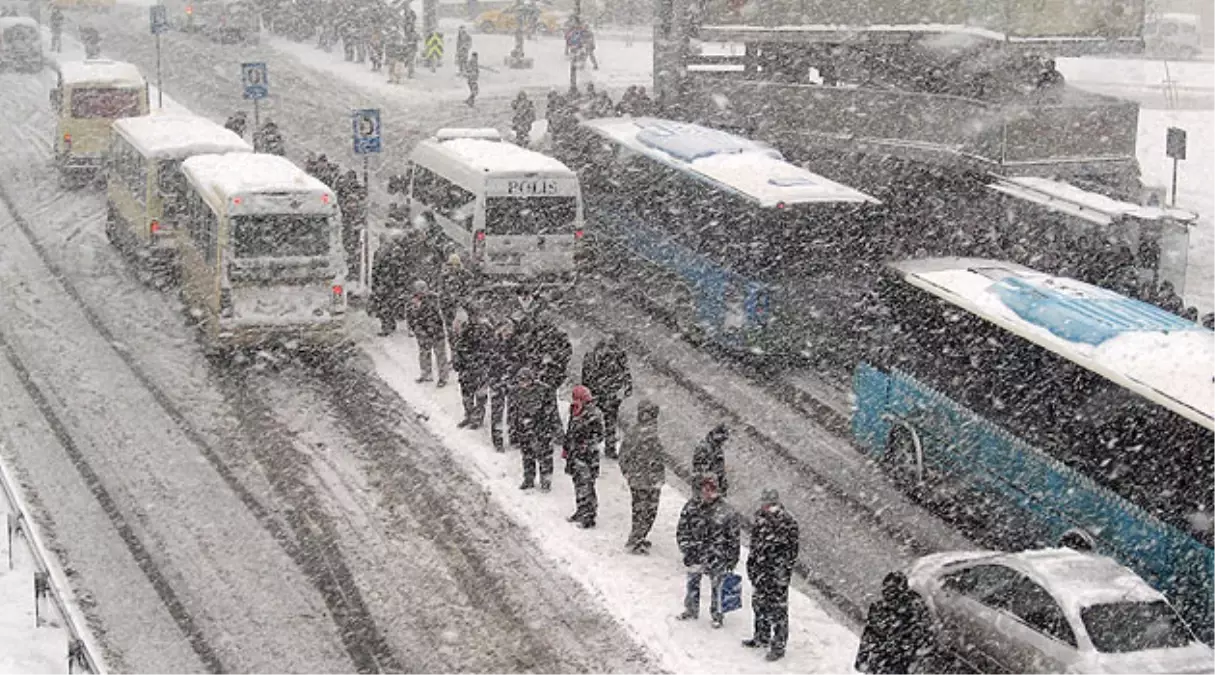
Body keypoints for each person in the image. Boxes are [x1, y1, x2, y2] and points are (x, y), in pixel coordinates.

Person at [676, 473, 740, 628]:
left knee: (718, 586)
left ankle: (717, 614)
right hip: (695, 553)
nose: (708, 492)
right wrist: (686, 549)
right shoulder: (691, 507)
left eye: (712, 489)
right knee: (693, 582)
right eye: (705, 488)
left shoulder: (727, 512)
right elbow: (682, 530)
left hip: (717, 556)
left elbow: (733, 537)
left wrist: (732, 558)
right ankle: (691, 608)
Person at [744, 489, 800, 661]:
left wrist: (781, 571)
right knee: (759, 605)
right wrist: (752, 565)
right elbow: (754, 545)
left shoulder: (788, 523)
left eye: (770, 503)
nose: (767, 506)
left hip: (776, 575)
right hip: (761, 571)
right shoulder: (760, 519)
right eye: (765, 502)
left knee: (778, 611)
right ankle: (762, 636)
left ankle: (778, 646)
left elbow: (791, 552)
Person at [855, 572, 935, 675]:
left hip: (899, 661)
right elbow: (869, 635)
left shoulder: (915, 609)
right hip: (884, 660)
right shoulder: (878, 609)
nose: (888, 594)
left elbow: (926, 639)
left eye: (892, 591)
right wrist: (862, 657)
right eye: (887, 590)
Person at [619, 399, 664, 554]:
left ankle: (639, 537)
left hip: (647, 479)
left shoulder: (643, 431)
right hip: (643, 480)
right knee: (644, 511)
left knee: (646, 511)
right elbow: (625, 455)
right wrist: (631, 473)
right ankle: (635, 540)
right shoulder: (639, 433)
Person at [581, 332, 632, 458]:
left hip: (606, 392)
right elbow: (586, 374)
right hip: (602, 392)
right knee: (601, 420)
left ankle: (606, 446)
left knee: (608, 421)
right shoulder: (593, 356)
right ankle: (599, 446)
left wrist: (627, 385)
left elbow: (625, 371)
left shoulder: (618, 355)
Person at [511, 367, 560, 490]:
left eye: (525, 380)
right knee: (527, 455)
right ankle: (529, 479)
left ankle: (546, 481)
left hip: (542, 427)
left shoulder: (544, 390)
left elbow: (551, 410)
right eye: (520, 381)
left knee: (545, 456)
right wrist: (517, 427)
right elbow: (515, 411)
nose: (523, 384)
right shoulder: (517, 392)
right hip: (524, 429)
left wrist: (552, 427)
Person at [563, 385, 604, 528]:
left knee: (587, 485)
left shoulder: (593, 414)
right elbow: (570, 431)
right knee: (579, 484)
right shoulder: (575, 410)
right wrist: (567, 448)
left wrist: (583, 445)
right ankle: (581, 510)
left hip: (587, 457)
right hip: (576, 455)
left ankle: (589, 516)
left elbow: (598, 436)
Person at [453, 305, 495, 429]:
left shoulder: (486, 328)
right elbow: (459, 344)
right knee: (466, 393)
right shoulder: (466, 327)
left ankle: (477, 418)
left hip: (479, 365)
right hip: (467, 365)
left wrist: (483, 361)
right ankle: (469, 415)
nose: (473, 318)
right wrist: (459, 359)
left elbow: (490, 347)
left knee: (480, 394)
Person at [368, 232, 413, 335]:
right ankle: (393, 325)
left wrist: (375, 284)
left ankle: (388, 327)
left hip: (385, 283)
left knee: (385, 306)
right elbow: (402, 268)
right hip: (393, 283)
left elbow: (375, 269)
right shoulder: (397, 251)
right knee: (393, 305)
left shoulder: (381, 251)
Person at [406, 280, 449, 386]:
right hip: (422, 332)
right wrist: (415, 328)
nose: (421, 292)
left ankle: (443, 377)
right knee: (424, 353)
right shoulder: (412, 301)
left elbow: (437, 314)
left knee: (440, 355)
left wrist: (431, 328)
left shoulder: (434, 299)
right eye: (418, 289)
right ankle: (426, 374)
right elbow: (410, 316)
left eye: (423, 289)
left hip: (436, 331)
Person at [439, 253, 473, 335]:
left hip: (463, 306)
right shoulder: (444, 276)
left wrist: (463, 301)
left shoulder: (466, 275)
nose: (454, 267)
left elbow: (470, 289)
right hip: (449, 307)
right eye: (451, 265)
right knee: (451, 331)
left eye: (456, 265)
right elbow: (442, 291)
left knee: (465, 329)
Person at [693, 424, 730, 497]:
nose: (723, 442)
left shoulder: (717, 449)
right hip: (706, 484)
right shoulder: (705, 447)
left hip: (711, 485)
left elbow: (719, 468)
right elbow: (699, 467)